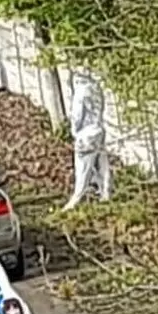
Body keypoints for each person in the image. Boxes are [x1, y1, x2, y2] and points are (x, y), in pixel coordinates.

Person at [62, 72, 112, 211]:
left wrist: (74, 131)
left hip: (85, 134)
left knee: (82, 167)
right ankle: (106, 193)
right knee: (102, 163)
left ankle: (76, 199)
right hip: (98, 130)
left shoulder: (80, 92)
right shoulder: (96, 89)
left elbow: (77, 116)